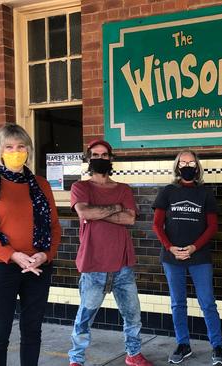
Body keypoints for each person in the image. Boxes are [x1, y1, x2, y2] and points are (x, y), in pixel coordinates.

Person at [0, 123, 62, 366]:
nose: (15, 151)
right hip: (0, 268)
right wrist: (13, 255)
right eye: (9, 147)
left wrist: (45, 255)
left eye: (21, 146)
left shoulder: (41, 185)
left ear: (28, 150)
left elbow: (54, 226)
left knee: (32, 331)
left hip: (38, 267)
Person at [68, 138, 152, 366]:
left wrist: (99, 212)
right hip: (93, 264)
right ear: (88, 158)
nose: (100, 159)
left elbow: (130, 218)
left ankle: (133, 354)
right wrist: (115, 208)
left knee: (133, 316)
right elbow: (85, 213)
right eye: (95, 155)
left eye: (104, 155)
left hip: (123, 265)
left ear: (111, 158)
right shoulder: (80, 187)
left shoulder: (123, 189)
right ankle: (76, 359)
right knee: (85, 317)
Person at [152, 150, 222, 365]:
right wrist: (170, 248)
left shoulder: (205, 193)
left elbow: (212, 227)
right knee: (177, 303)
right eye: (183, 162)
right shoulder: (167, 192)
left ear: (197, 167)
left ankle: (217, 347)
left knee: (207, 303)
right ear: (177, 166)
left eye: (191, 163)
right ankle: (183, 344)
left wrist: (194, 247)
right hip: (172, 257)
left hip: (200, 256)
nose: (187, 166)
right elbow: (157, 225)